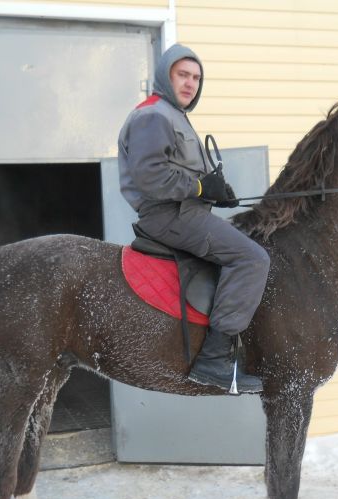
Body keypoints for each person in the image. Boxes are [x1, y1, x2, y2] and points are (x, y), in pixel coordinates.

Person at [118, 43, 270, 394]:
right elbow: (151, 176)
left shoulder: (173, 115)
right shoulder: (153, 115)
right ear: (165, 77)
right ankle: (214, 360)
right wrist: (202, 187)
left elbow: (180, 172)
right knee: (252, 258)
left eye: (196, 78)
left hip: (184, 210)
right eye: (182, 75)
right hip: (169, 215)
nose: (190, 83)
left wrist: (215, 191)